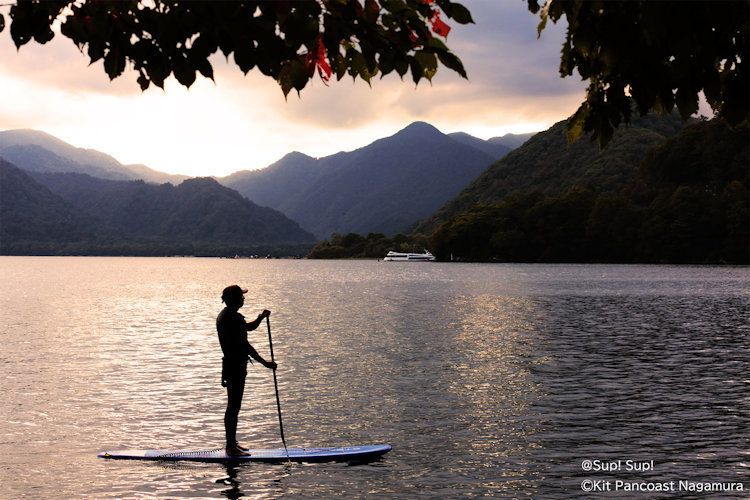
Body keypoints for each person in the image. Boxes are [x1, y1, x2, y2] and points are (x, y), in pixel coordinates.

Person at [216, 284, 277, 456]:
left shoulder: (229, 315)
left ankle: (232, 444)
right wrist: (266, 363)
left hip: (233, 366)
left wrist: (260, 317)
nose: (244, 298)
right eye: (241, 296)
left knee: (234, 406)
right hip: (234, 367)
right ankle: (231, 447)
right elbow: (245, 345)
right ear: (234, 299)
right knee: (233, 407)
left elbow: (247, 328)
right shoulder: (231, 318)